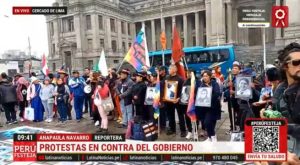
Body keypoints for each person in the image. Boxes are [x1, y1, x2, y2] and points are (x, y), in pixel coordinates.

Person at [195, 70, 221, 142]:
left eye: (206, 76)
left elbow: (217, 93)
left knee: (210, 122)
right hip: (204, 108)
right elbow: (197, 95)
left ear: (210, 76)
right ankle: (211, 137)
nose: (205, 77)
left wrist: (208, 99)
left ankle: (212, 137)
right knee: (206, 123)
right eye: (203, 76)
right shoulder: (200, 85)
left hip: (213, 107)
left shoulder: (214, 84)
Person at [163, 64, 186, 137]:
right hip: (168, 100)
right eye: (169, 69)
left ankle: (183, 130)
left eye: (170, 69)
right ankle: (172, 129)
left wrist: (178, 98)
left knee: (180, 115)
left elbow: (183, 90)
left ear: (174, 70)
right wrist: (164, 96)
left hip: (177, 100)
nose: (168, 70)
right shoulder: (167, 77)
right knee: (170, 115)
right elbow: (164, 87)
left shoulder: (180, 79)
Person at [224, 62, 241, 133]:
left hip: (239, 99)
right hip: (231, 98)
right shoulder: (230, 76)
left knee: (240, 113)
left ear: (239, 70)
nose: (233, 69)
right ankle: (232, 127)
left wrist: (235, 92)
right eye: (233, 68)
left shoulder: (241, 77)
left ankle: (240, 127)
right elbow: (224, 85)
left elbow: (244, 90)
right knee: (231, 113)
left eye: (236, 68)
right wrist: (228, 84)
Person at [179, 70, 194, 139]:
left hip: (193, 103)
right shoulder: (185, 81)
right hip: (185, 103)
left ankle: (195, 131)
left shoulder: (196, 81)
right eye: (187, 73)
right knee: (187, 117)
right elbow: (182, 92)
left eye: (189, 73)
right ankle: (190, 131)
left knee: (194, 117)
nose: (188, 74)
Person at [158, 66, 168, 130]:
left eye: (160, 71)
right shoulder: (160, 77)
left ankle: (164, 125)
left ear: (164, 70)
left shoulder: (166, 77)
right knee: (161, 111)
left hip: (165, 97)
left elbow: (163, 84)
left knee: (163, 112)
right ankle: (161, 124)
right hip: (160, 96)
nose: (159, 72)